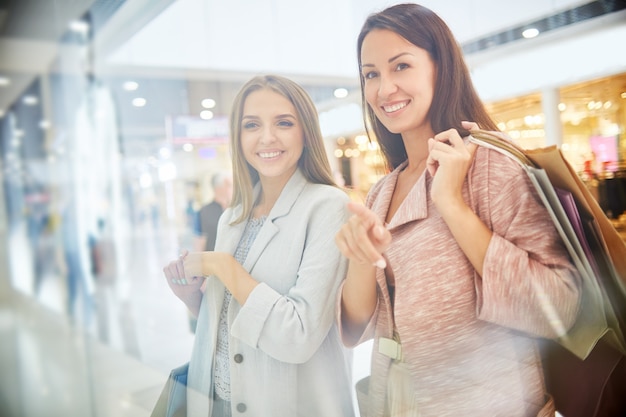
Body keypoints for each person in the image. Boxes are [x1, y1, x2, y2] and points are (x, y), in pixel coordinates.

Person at [334, 4, 582, 417]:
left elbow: (558, 306)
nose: (384, 88)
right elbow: (357, 327)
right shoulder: (382, 191)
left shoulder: (491, 166)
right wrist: (360, 259)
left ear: (440, 66)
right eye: (371, 74)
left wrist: (451, 204)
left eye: (401, 66)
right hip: (393, 398)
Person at [163, 74, 355, 417]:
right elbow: (235, 320)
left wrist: (224, 266)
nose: (267, 137)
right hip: (218, 403)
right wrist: (195, 299)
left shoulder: (327, 206)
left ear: (305, 132)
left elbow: (298, 335)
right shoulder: (233, 216)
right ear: (238, 137)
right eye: (251, 125)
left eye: (283, 122)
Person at [194, 171, 233, 252]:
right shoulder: (203, 212)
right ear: (218, 188)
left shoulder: (236, 209)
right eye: (229, 185)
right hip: (213, 261)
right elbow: (199, 244)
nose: (233, 188)